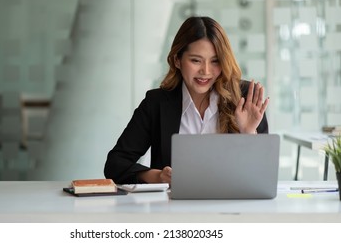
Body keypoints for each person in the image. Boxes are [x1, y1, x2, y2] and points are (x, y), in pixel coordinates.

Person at [104, 16, 269, 185]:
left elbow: (264, 176)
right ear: (177, 60)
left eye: (215, 61)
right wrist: (159, 176)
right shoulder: (157, 103)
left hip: (232, 207)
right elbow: (116, 165)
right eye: (196, 60)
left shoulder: (243, 97)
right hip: (173, 207)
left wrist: (248, 134)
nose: (205, 71)